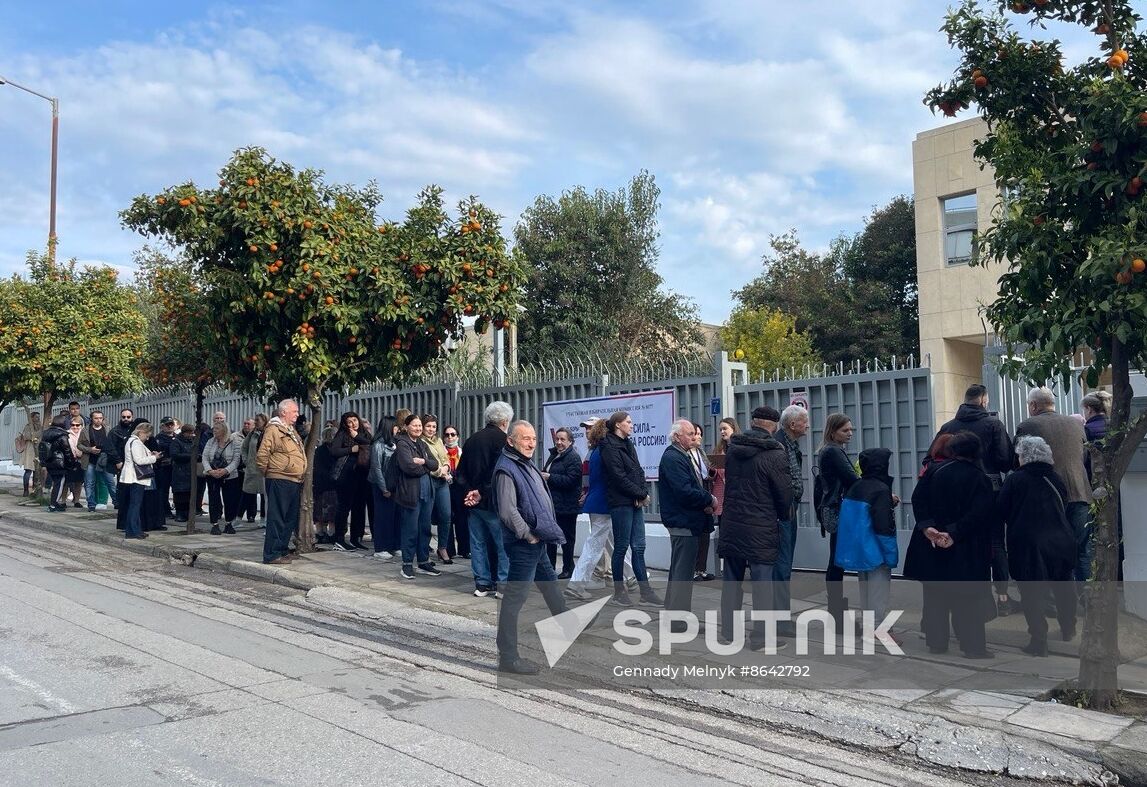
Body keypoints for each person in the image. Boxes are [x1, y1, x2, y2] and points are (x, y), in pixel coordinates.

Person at [908, 432, 997, 658]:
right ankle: (973, 647)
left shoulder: (934, 471)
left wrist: (928, 528)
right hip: (966, 547)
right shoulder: (980, 478)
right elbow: (980, 514)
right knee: (967, 601)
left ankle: (937, 643)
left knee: (935, 597)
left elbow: (918, 499)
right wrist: (954, 533)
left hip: (933, 544)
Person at [494, 420, 571, 675]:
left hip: (537, 541)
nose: (530, 443)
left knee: (549, 584)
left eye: (533, 439)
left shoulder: (523, 463)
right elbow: (507, 510)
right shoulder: (507, 468)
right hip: (524, 545)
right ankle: (508, 656)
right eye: (525, 438)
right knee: (515, 599)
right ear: (511, 441)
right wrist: (527, 535)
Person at [718, 405, 792, 648]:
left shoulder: (733, 449)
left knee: (731, 582)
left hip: (732, 524)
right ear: (774, 425)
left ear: (753, 422)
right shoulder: (775, 453)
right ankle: (760, 637)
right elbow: (783, 493)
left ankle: (729, 633)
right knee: (762, 585)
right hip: (761, 526)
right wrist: (785, 515)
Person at [998, 436, 1078, 656]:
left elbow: (1002, 509)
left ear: (1022, 456)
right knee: (1064, 587)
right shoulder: (1055, 477)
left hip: (1028, 543)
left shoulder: (1015, 480)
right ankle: (1068, 627)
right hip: (1060, 538)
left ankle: (1038, 640)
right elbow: (1066, 501)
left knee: (1031, 592)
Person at [938, 383, 1014, 613]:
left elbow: (936, 456)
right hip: (990, 490)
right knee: (996, 543)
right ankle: (1002, 598)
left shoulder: (948, 426)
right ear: (983, 400)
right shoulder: (993, 424)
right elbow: (1005, 461)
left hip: (956, 491)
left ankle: (966, 596)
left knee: (963, 540)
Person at [1015, 387, 1091, 585]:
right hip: (1080, 492)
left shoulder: (1028, 425)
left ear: (1033, 405)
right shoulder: (1076, 424)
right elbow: (1085, 456)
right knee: (1081, 549)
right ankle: (1087, 598)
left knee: (1049, 548)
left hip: (1048, 497)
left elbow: (1020, 461)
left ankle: (1055, 600)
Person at [834, 447, 900, 642]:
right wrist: (890, 554)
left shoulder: (856, 487)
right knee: (879, 589)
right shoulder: (880, 489)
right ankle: (879, 628)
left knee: (866, 588)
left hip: (859, 547)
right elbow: (883, 526)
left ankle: (869, 625)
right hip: (875, 548)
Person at [600, 410, 662, 608]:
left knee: (639, 547)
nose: (631, 425)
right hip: (620, 503)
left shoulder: (628, 443)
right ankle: (619, 592)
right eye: (628, 422)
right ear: (618, 425)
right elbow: (618, 477)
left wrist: (641, 493)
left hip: (634, 501)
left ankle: (646, 592)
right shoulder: (608, 446)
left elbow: (637, 470)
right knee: (621, 547)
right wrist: (640, 495)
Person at [660, 420, 718, 616]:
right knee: (683, 572)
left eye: (695, 433)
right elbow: (685, 491)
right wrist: (709, 499)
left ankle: (672, 610)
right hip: (682, 520)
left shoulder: (680, 455)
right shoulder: (674, 458)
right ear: (677, 437)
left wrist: (705, 503)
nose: (694, 437)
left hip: (685, 519)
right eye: (690, 433)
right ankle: (679, 619)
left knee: (679, 569)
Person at [457, 402, 513, 598]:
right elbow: (499, 473)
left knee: (478, 543)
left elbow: (460, 472)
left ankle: (482, 583)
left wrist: (469, 493)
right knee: (502, 544)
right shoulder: (505, 440)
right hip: (494, 500)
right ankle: (503, 585)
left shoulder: (472, 439)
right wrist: (481, 492)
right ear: (505, 421)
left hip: (472, 502)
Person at [816, 413, 858, 628]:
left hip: (834, 508)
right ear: (833, 432)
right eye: (845, 430)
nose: (850, 433)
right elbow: (852, 479)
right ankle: (838, 617)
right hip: (838, 509)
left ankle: (837, 614)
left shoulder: (831, 450)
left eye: (851, 429)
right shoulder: (833, 451)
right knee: (836, 563)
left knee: (836, 561)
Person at [257, 399, 307, 565]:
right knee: (277, 517)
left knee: (289, 518)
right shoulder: (273, 429)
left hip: (294, 479)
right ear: (283, 412)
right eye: (294, 411)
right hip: (280, 478)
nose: (297, 415)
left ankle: (282, 549)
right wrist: (270, 472)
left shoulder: (290, 430)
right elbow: (262, 455)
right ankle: (271, 554)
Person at [773, 405, 808, 635]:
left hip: (790, 508)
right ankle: (779, 620)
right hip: (783, 511)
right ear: (792, 424)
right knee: (782, 565)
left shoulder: (790, 444)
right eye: (804, 421)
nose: (807, 425)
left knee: (785, 564)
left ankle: (781, 617)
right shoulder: (779, 445)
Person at [393, 413, 440, 580]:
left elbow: (435, 464)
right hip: (411, 493)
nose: (418, 428)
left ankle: (423, 561)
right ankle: (407, 564)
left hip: (427, 492)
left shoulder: (421, 443)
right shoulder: (402, 444)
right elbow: (408, 467)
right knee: (410, 529)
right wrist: (426, 466)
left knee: (425, 529)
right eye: (415, 425)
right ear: (406, 427)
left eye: (420, 426)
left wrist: (423, 462)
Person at [329, 411, 373, 551]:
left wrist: (357, 437)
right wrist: (351, 449)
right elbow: (334, 451)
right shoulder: (342, 434)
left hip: (362, 475)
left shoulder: (363, 433)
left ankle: (356, 538)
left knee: (359, 508)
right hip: (346, 475)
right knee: (344, 507)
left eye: (355, 420)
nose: (353, 423)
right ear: (345, 424)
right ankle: (339, 539)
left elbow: (371, 444)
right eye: (349, 422)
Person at [542, 427, 583, 578]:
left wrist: (549, 477)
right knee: (550, 539)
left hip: (567, 506)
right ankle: (550, 567)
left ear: (570, 441)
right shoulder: (553, 455)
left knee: (567, 539)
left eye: (562, 439)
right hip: (552, 505)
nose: (559, 442)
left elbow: (572, 481)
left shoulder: (573, 457)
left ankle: (568, 568)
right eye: (557, 439)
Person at [421, 414, 454, 565]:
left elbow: (445, 458)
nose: (431, 429)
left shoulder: (439, 440)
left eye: (434, 426)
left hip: (442, 482)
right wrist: (439, 471)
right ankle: (423, 550)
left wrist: (446, 468)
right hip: (430, 480)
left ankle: (442, 548)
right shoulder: (420, 442)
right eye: (428, 426)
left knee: (446, 515)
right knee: (426, 517)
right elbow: (426, 463)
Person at [367, 415, 400, 559]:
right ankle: (381, 548)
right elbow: (377, 468)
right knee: (382, 517)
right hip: (381, 486)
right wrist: (384, 488)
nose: (397, 429)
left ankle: (394, 545)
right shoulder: (378, 445)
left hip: (394, 486)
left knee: (394, 517)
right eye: (395, 426)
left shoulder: (394, 443)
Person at [202, 421, 243, 535]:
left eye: (217, 429)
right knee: (214, 499)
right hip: (212, 474)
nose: (214, 431)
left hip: (230, 476)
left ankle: (229, 523)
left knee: (230, 500)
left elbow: (236, 460)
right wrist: (210, 471)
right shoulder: (211, 441)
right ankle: (214, 524)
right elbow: (205, 457)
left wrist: (225, 470)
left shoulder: (234, 442)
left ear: (224, 430)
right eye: (213, 428)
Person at [120, 422, 159, 540]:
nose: (147, 438)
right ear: (141, 432)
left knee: (134, 504)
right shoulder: (136, 442)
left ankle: (133, 529)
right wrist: (154, 458)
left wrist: (149, 454)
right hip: (136, 477)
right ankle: (133, 531)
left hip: (132, 476)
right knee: (135, 505)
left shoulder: (132, 441)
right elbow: (139, 460)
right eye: (147, 435)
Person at [689, 422, 716, 581]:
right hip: (695, 498)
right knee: (695, 536)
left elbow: (705, 473)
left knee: (705, 535)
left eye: (700, 434)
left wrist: (711, 473)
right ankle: (692, 569)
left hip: (705, 493)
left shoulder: (701, 452)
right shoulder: (685, 454)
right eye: (695, 434)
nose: (698, 437)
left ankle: (701, 569)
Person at [443, 425, 469, 558]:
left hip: (460, 490)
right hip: (445, 487)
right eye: (447, 435)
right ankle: (448, 551)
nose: (450, 437)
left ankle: (464, 549)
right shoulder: (440, 452)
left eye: (453, 434)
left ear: (457, 437)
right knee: (447, 518)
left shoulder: (462, 452)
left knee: (462, 519)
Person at [78, 411, 111, 511]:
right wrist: (90, 449)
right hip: (90, 460)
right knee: (89, 483)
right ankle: (91, 504)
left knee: (105, 481)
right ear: (92, 419)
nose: (98, 420)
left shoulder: (107, 429)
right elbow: (79, 445)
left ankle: (102, 502)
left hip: (103, 459)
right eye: (96, 418)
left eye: (100, 418)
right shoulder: (85, 430)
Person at [40, 415, 73, 512]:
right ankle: (53, 505)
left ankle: (55, 503)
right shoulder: (62, 436)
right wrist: (71, 463)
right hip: (60, 463)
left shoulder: (46, 433)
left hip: (49, 462)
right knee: (59, 483)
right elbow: (67, 451)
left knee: (56, 483)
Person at [312, 425, 338, 545]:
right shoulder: (335, 450)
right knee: (332, 513)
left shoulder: (319, 450)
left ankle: (320, 532)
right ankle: (332, 533)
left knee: (319, 512)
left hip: (319, 485)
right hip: (331, 485)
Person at [240, 413, 268, 525]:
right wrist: (247, 461)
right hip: (252, 469)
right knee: (247, 492)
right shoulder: (252, 434)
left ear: (264, 421)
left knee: (264, 494)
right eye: (255, 420)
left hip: (264, 469)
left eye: (258, 420)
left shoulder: (268, 433)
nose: (256, 422)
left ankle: (263, 519)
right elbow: (244, 447)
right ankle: (238, 518)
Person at [169, 424, 197, 522]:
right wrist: (191, 456)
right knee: (180, 494)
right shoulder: (176, 442)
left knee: (189, 494)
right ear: (184, 433)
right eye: (189, 433)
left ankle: (187, 513)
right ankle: (180, 513)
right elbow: (174, 455)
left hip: (190, 472)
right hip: (180, 472)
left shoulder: (193, 442)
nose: (191, 435)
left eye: (192, 433)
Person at [154, 417, 177, 519]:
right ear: (162, 426)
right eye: (167, 424)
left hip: (176, 468)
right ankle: (165, 511)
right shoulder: (158, 438)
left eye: (171, 424)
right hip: (164, 467)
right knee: (163, 491)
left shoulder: (177, 437)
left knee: (177, 490)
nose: (170, 426)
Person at [17, 411, 42, 497]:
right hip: (29, 451)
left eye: (38, 417)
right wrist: (35, 435)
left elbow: (41, 436)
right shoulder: (28, 426)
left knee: (37, 471)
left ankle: (35, 490)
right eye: (36, 417)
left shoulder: (40, 426)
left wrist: (35, 435)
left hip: (38, 450)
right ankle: (26, 490)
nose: (38, 418)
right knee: (28, 471)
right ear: (31, 418)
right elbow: (27, 436)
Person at [64, 415, 86, 507]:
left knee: (79, 482)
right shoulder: (66, 434)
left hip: (81, 460)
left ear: (81, 425)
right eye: (73, 425)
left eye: (78, 425)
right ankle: (62, 501)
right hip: (69, 461)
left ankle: (76, 501)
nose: (75, 427)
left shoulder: (84, 434)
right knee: (66, 482)